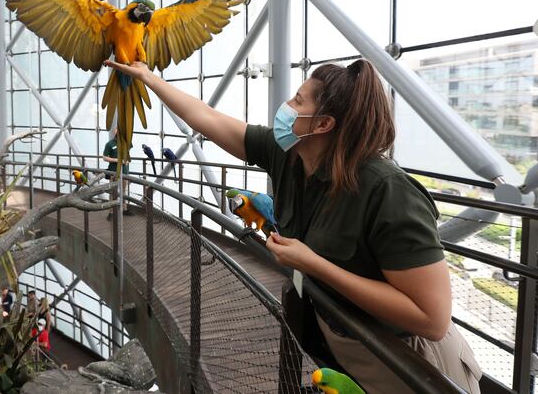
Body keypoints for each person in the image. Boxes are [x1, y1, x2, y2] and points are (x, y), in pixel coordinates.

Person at [104, 57, 481, 394]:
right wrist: (148, 78)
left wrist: (313, 264)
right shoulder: (290, 156)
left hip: (410, 362)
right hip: (346, 346)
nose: (286, 107)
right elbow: (209, 118)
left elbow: (431, 319)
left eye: (299, 101)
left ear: (324, 124)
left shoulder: (387, 191)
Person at [102, 127, 131, 214]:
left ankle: (124, 209)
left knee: (124, 191)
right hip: (113, 172)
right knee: (112, 191)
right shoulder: (109, 144)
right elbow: (104, 157)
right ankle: (111, 211)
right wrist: (117, 160)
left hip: (125, 172)